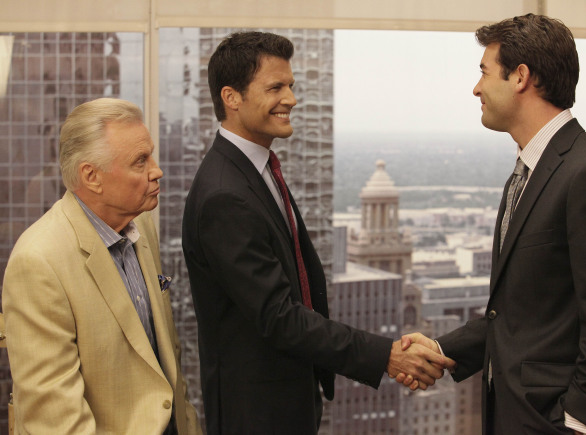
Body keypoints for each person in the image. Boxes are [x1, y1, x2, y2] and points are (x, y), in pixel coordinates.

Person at [182, 31, 454, 434]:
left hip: (284, 404)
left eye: (291, 86)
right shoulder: (226, 194)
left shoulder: (255, 172)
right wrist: (387, 356)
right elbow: (280, 318)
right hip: (256, 416)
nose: (291, 99)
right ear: (231, 98)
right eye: (275, 87)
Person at [397, 13, 586, 435]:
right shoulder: (527, 174)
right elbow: (518, 314)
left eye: (483, 72)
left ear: (520, 77)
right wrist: (441, 349)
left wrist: (578, 424)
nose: (476, 88)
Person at [3, 98, 202, 434]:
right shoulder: (38, 262)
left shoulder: (142, 226)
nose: (157, 170)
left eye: (150, 155)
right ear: (91, 176)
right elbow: (56, 421)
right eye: (140, 161)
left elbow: (163, 361)